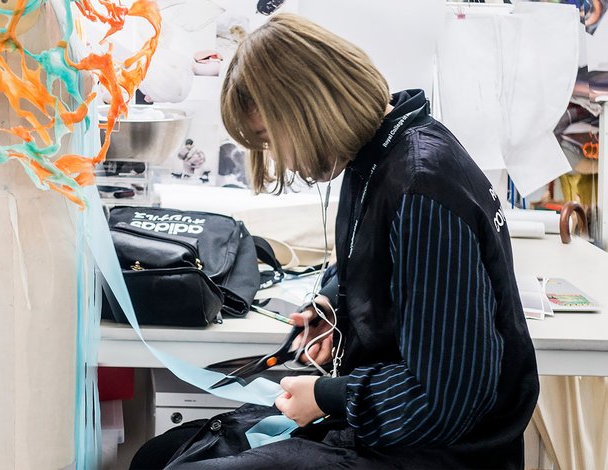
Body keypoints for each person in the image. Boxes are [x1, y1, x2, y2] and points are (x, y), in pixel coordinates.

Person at [131, 12, 539, 470]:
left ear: (310, 109)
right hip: (391, 425)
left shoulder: (422, 185)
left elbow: (443, 397)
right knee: (156, 457)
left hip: (442, 449)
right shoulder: (379, 154)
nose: (282, 160)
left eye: (271, 139)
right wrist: (332, 305)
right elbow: (373, 261)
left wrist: (326, 396)